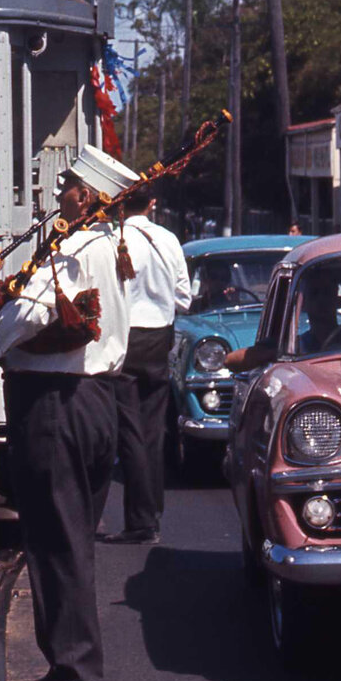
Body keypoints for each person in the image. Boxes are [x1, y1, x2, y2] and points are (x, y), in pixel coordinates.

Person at [0, 147, 134, 681]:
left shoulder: (77, 244)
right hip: (95, 400)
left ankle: (75, 675)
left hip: (57, 406)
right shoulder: (106, 246)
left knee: (56, 542)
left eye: (66, 188)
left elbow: (31, 311)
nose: (58, 196)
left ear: (86, 196)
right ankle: (69, 667)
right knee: (70, 540)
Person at [98, 195, 190, 547]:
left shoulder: (113, 240)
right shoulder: (168, 239)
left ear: (120, 204)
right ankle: (151, 513)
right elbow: (184, 298)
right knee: (152, 430)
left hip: (126, 336)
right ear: (153, 202)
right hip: (160, 337)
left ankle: (141, 520)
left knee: (130, 431)